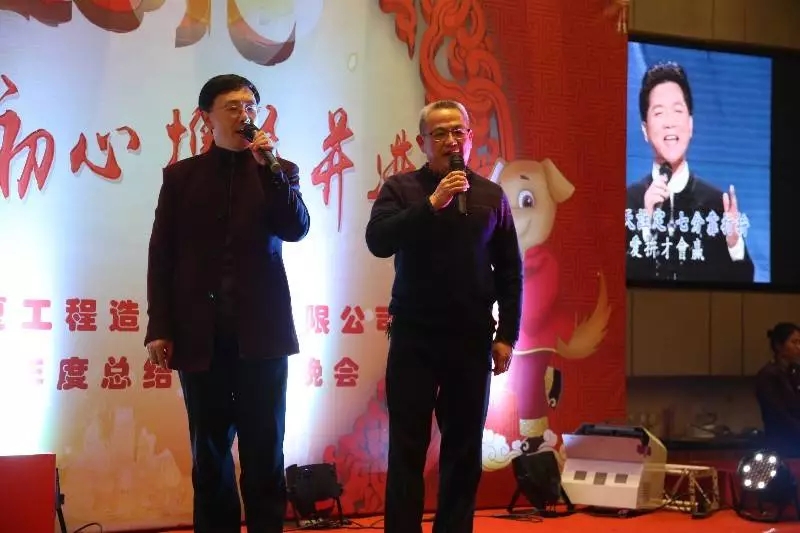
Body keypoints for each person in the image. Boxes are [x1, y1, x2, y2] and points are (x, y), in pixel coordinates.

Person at [144, 74, 310, 533]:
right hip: (201, 335)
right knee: (210, 451)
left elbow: (296, 228)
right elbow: (162, 254)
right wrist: (160, 327)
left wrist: (271, 169)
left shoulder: (279, 170)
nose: (245, 115)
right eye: (233, 106)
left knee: (265, 448)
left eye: (250, 106)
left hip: (263, 335)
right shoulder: (181, 178)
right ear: (207, 118)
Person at [365, 99, 523, 533]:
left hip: (471, 338)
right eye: (440, 133)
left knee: (463, 450)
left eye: (459, 132)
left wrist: (507, 336)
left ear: (470, 138)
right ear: (423, 142)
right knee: (407, 448)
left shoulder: (491, 195)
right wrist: (432, 203)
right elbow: (378, 240)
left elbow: (510, 271)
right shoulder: (401, 189)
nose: (451, 140)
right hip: (414, 338)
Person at [625, 61, 755, 283]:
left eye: (677, 111)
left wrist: (734, 243)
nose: (670, 123)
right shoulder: (628, 201)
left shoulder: (717, 204)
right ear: (645, 130)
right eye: (659, 113)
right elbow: (615, 280)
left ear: (691, 125)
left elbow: (743, 285)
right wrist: (646, 225)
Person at [755, 322, 800, 457]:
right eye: (794, 342)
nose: (798, 347)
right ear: (779, 345)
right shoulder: (768, 375)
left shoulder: (795, 372)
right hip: (780, 445)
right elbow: (778, 413)